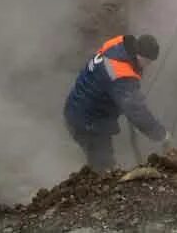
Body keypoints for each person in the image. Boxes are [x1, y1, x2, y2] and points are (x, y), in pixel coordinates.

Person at [64, 34, 170, 171]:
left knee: (102, 159)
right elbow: (136, 112)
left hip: (79, 106)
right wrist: (161, 134)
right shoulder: (121, 75)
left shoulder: (119, 43)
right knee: (105, 168)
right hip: (88, 122)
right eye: (148, 62)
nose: (148, 66)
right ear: (139, 56)